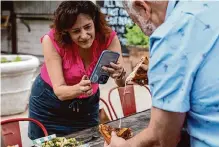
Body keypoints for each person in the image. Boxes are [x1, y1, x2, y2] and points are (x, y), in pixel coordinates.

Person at [106, 0, 219, 147]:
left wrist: (123, 146)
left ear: (142, 7)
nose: (145, 33)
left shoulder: (171, 33)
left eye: (136, 22)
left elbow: (161, 139)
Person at [28, 1, 126, 140]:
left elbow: (121, 83)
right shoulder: (51, 40)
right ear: (66, 32)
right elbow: (60, 91)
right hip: (49, 105)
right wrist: (79, 89)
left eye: (88, 27)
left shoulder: (107, 37)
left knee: (92, 141)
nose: (84, 35)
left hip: (87, 106)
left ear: (94, 22)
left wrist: (120, 74)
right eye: (76, 31)